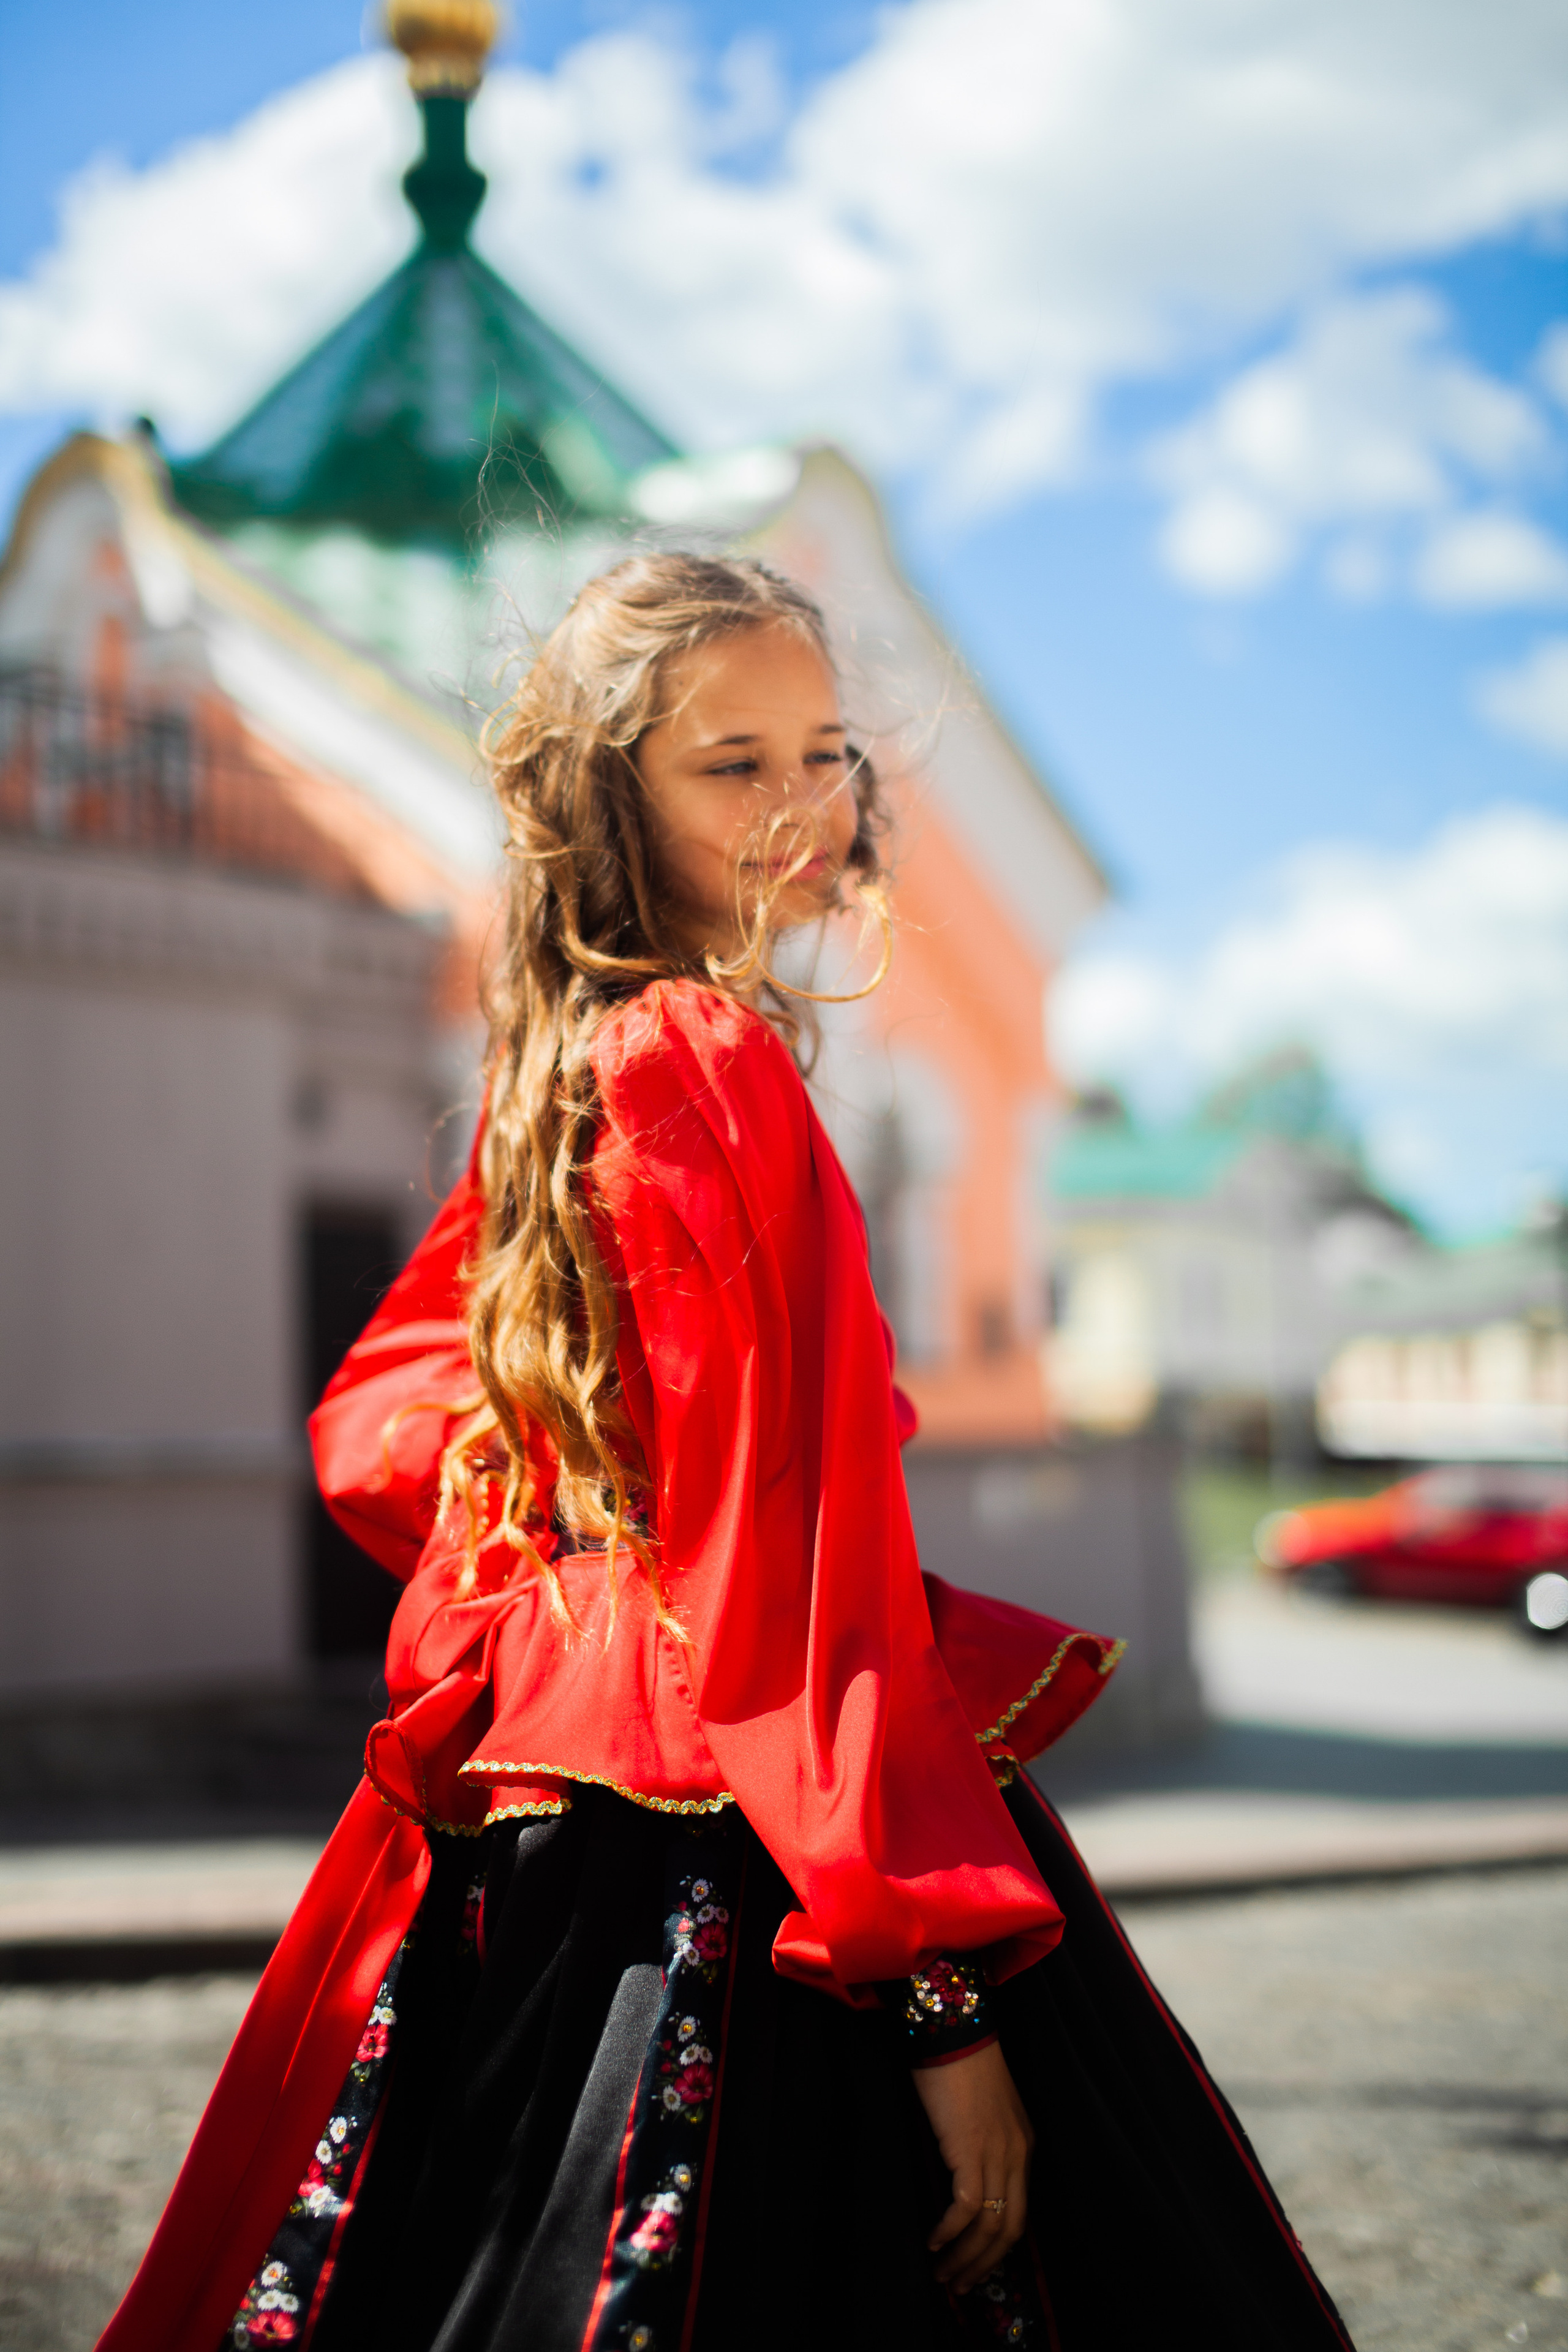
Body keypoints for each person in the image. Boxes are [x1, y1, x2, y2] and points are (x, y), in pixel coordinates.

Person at [100, 555, 1354, 2352]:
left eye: (825, 752)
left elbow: (380, 1429)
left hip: (550, 1845)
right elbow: (788, 1579)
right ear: (617, 796)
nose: (801, 807)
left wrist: (550, 1567)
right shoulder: (697, 1056)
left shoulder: (567, 1061)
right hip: (761, 1852)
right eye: (733, 764)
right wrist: (944, 2006)